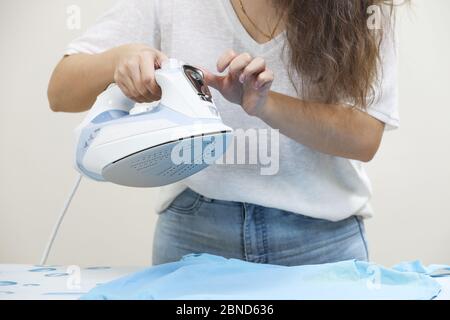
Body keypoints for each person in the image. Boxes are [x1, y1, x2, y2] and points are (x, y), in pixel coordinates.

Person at [48, 0, 400, 266]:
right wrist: (122, 57)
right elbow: (60, 91)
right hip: (196, 230)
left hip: (320, 239)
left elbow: (363, 136)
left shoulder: (361, 11)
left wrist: (264, 105)